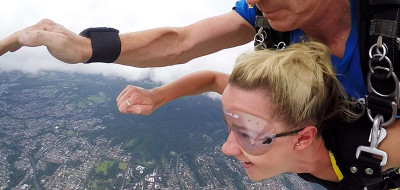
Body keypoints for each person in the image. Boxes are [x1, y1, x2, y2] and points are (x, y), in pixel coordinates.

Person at [118, 41, 400, 190]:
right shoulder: (277, 114)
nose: (226, 148)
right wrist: (157, 96)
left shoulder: (368, 150)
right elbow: (214, 80)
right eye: (230, 125)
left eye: (249, 134)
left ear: (303, 137)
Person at [0, 0, 366, 101]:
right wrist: (84, 48)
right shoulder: (267, 14)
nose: (254, 0)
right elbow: (182, 42)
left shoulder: (387, 33)